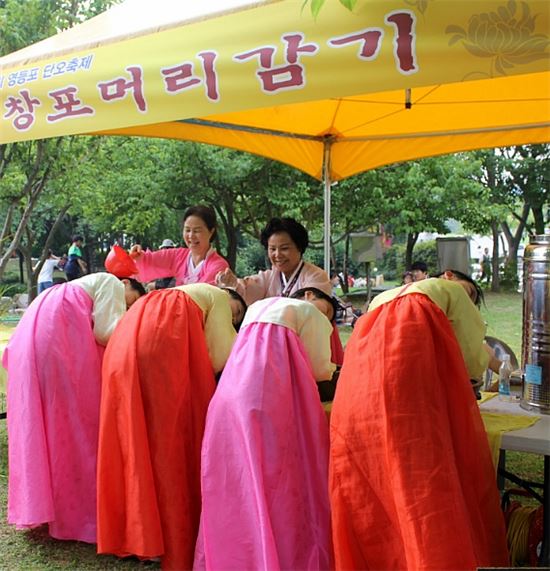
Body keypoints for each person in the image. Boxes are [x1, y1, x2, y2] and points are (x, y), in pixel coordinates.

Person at [329, 270, 509, 570]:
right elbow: (470, 353)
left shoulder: (382, 300)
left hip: (358, 392)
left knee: (377, 483)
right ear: (448, 275)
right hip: (408, 400)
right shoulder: (447, 291)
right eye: (470, 293)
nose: (468, 299)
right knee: (424, 482)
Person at [96, 284, 246, 570]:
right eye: (234, 312)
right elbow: (219, 355)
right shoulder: (216, 297)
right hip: (160, 346)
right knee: (169, 443)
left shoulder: (162, 296)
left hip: (123, 344)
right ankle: (167, 536)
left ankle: (140, 534)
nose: (232, 317)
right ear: (229, 297)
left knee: (133, 440)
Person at [194, 287, 337, 571]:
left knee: (238, 481)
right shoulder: (310, 314)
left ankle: (241, 553)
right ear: (310, 296)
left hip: (230, 396)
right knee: (280, 481)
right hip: (273, 398)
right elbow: (320, 368)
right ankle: (279, 551)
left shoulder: (258, 308)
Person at [3, 273, 145, 544]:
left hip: (34, 333)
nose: (127, 308)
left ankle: (48, 505)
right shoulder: (112, 283)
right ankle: (81, 511)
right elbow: (106, 331)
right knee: (76, 425)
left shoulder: (72, 288)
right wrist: (138, 326)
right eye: (131, 302)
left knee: (44, 424)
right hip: (60, 335)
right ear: (127, 284)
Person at [215, 217, 344, 363]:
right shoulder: (269, 276)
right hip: (276, 350)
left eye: (284, 248)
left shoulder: (316, 276)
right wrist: (232, 283)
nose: (277, 255)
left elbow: (314, 314)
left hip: (309, 351)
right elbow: (247, 289)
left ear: (299, 247)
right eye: (272, 249)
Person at [130, 205, 228, 286]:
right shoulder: (179, 256)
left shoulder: (219, 266)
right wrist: (138, 255)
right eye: (187, 230)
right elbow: (150, 260)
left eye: (197, 231)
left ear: (211, 231)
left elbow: (202, 293)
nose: (191, 236)